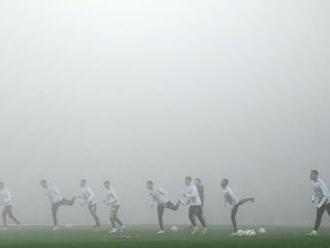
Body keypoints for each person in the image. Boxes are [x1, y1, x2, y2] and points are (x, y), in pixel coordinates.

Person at [306, 170, 330, 237]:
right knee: (318, 217)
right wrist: (313, 198)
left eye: (312, 174)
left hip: (327, 202)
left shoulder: (320, 183)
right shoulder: (314, 183)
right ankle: (314, 232)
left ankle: (314, 231)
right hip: (321, 201)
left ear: (316, 175)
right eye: (310, 174)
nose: (310, 175)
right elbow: (315, 193)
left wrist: (320, 204)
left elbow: (326, 195)